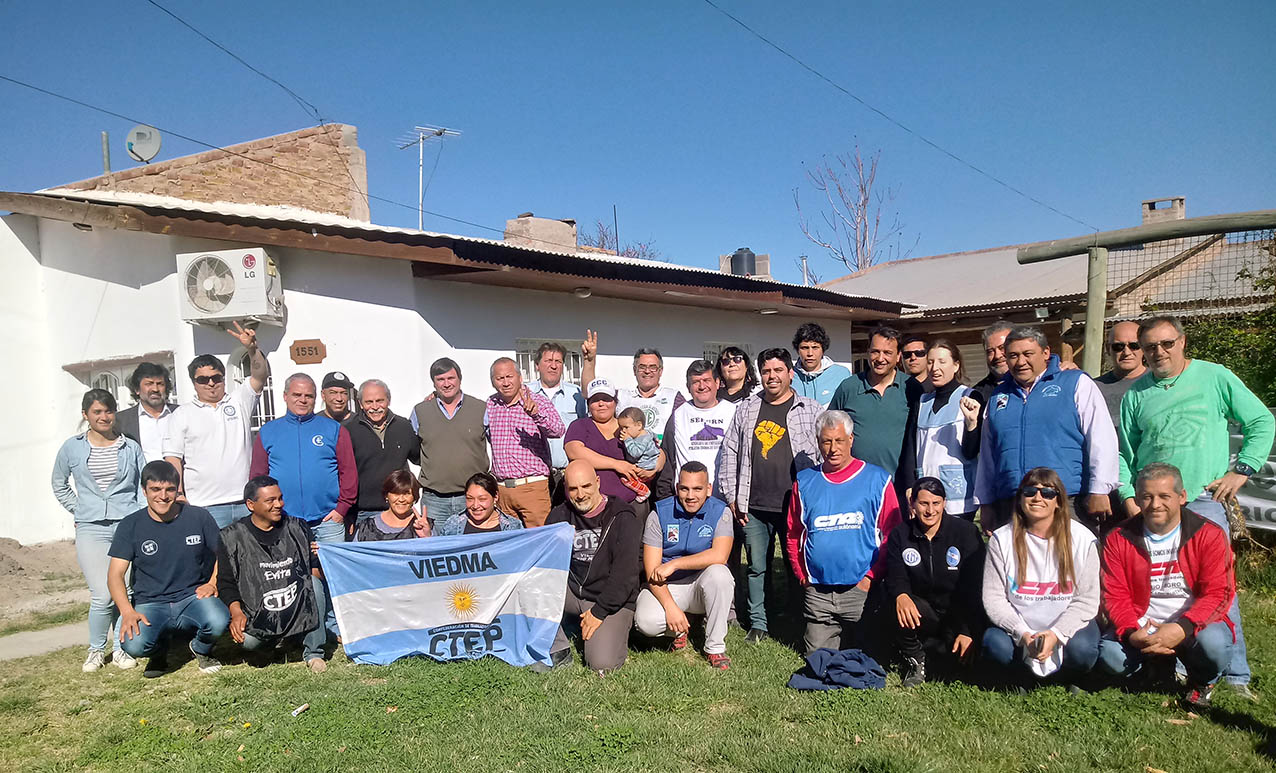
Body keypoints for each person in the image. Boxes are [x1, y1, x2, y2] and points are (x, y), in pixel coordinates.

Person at [1116, 315, 1272, 699]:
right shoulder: (1137, 394)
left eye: (1166, 343)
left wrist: (1243, 471)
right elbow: (1125, 453)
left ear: (1183, 342)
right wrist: (1128, 497)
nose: (1158, 352)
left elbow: (1261, 420)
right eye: (1149, 347)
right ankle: (1181, 668)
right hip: (1152, 505)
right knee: (1164, 585)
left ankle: (1235, 677)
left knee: (1217, 589)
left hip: (1204, 500)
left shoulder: (1214, 377)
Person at [1098, 463, 1236, 709]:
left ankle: (1203, 681)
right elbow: (1114, 595)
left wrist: (1182, 628)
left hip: (1192, 625)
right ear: (1138, 499)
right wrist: (1131, 632)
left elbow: (1219, 593)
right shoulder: (1118, 537)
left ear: (1182, 497)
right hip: (1143, 623)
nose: (1155, 504)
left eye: (1164, 496)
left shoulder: (1208, 534)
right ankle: (1154, 670)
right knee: (1111, 656)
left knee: (1215, 645)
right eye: (1147, 497)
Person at [719, 348, 822, 642]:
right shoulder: (747, 408)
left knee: (795, 565)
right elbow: (730, 452)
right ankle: (759, 622)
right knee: (756, 566)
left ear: (790, 373)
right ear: (760, 375)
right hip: (754, 503)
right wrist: (731, 497)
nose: (772, 377)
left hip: (795, 505)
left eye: (778, 371)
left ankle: (794, 616)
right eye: (766, 371)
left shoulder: (811, 410)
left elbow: (823, 452)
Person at [974, 326, 1118, 534]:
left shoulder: (1075, 383)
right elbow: (988, 455)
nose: (1021, 362)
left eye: (1027, 354)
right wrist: (986, 502)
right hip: (1013, 503)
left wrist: (1100, 489)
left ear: (1046, 353)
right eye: (1013, 356)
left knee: (1069, 565)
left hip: (1066, 501)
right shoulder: (998, 396)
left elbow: (1101, 438)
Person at [784, 410, 903, 654]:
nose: (833, 448)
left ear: (851, 440)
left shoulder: (877, 479)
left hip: (860, 587)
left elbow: (892, 534)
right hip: (817, 588)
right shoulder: (805, 482)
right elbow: (793, 534)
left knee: (869, 655)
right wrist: (802, 577)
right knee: (817, 659)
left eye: (839, 440)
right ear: (818, 443)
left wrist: (869, 578)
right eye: (826, 441)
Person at [250, 372, 357, 640]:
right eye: (296, 395)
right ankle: (295, 628)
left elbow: (349, 473)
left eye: (308, 395)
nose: (302, 400)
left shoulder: (333, 430)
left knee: (334, 575)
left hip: (327, 519)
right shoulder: (269, 432)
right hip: (285, 521)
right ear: (285, 396)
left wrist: (341, 509)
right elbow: (257, 477)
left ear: (316, 397)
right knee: (288, 577)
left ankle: (334, 625)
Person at [52, 388, 147, 672]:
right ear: (86, 415)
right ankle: (95, 650)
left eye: (108, 411)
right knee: (102, 594)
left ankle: (121, 648)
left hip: (125, 525)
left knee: (125, 591)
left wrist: (139, 518)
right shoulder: (72, 447)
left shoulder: (130, 447)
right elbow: (59, 484)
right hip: (91, 528)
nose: (104, 417)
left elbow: (142, 485)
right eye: (97, 412)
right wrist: (80, 509)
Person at [981, 468, 1100, 689]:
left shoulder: (1083, 539)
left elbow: (1087, 600)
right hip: (1021, 626)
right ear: (1020, 498)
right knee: (995, 645)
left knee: (1084, 649)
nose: (1037, 498)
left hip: (1065, 624)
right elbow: (994, 598)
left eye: (1047, 493)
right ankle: (1019, 676)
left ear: (1059, 501)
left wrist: (1056, 634)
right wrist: (1023, 634)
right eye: (1029, 491)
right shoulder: (1001, 539)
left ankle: (1069, 677)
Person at [107, 460, 228, 678]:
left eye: (170, 489)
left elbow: (224, 553)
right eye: (155, 489)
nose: (163, 496)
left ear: (177, 490)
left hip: (192, 596)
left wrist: (212, 582)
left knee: (219, 620)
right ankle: (159, 650)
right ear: (144, 491)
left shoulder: (198, 517)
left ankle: (200, 648)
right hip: (151, 601)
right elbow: (115, 575)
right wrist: (127, 611)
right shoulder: (130, 525)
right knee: (133, 645)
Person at [163, 321, 269, 529]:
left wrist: (252, 349)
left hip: (244, 502)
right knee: (213, 561)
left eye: (215, 377)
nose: (210, 383)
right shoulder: (181, 415)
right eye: (202, 379)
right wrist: (179, 493)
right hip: (204, 506)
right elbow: (173, 458)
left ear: (222, 377)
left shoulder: (240, 401)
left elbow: (259, 375)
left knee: (248, 560)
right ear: (194, 383)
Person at [217, 475, 327, 672]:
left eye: (280, 498)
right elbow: (226, 582)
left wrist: (320, 563)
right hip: (259, 610)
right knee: (248, 642)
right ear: (251, 505)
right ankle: (272, 644)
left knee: (314, 583)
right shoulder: (231, 536)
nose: (279, 504)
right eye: (270, 500)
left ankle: (314, 652)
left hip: (295, 603)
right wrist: (236, 612)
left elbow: (315, 569)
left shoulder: (298, 527)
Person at [544, 460, 643, 674]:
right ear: (565, 489)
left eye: (586, 486)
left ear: (597, 482)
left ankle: (619, 631)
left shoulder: (623, 516)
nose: (580, 494)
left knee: (600, 663)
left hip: (610, 598)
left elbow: (625, 576)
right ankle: (558, 646)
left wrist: (598, 612)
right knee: (532, 586)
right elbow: (546, 564)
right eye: (573, 488)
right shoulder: (558, 516)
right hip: (573, 592)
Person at [885, 477, 985, 687]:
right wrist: (901, 595)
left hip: (958, 614)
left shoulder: (966, 532)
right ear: (912, 504)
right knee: (894, 601)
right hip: (924, 612)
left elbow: (976, 587)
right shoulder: (900, 534)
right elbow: (896, 576)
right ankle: (915, 657)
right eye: (923, 504)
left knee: (953, 669)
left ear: (944, 503)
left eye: (936, 503)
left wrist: (968, 631)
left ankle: (942, 649)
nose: (930, 510)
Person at [634, 463, 735, 669]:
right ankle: (680, 628)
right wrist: (671, 607)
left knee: (721, 575)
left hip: (702, 585)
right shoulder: (659, 513)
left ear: (708, 488)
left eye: (697, 489)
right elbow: (653, 571)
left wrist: (675, 563)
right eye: (684, 488)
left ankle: (714, 647)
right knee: (645, 622)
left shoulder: (721, 512)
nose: (690, 496)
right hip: (667, 587)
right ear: (677, 487)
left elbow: (720, 555)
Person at [897, 340, 985, 518]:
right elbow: (910, 448)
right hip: (925, 495)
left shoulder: (970, 397)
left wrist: (971, 424)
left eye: (942, 362)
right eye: (930, 362)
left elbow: (971, 452)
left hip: (958, 499)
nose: (934, 368)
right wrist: (909, 485)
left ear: (956, 365)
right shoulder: (922, 402)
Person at [411, 358, 490, 531]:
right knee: (436, 550)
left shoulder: (481, 408)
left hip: (472, 497)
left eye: (451, 378)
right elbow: (415, 449)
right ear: (433, 383)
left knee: (472, 549)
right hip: (434, 500)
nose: (446, 384)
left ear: (459, 379)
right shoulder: (420, 411)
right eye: (440, 380)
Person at [485, 357, 565, 528]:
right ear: (493, 382)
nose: (506, 383)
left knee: (539, 541)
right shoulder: (491, 404)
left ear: (520, 378)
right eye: (500, 378)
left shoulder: (538, 401)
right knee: (510, 544)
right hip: (502, 489)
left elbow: (558, 430)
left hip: (532, 487)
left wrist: (536, 415)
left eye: (509, 377)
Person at [829, 326, 909, 478]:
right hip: (855, 481)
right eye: (875, 352)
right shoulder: (849, 387)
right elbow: (830, 428)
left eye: (887, 353)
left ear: (898, 356)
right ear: (868, 352)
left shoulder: (911, 388)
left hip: (898, 484)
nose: (880, 359)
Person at [655, 360, 737, 500]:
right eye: (696, 382)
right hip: (688, 500)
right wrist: (665, 499)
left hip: (726, 500)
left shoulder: (733, 412)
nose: (701, 386)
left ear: (717, 383)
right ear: (688, 387)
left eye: (706, 380)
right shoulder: (678, 415)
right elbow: (668, 459)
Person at [565, 379, 650, 508]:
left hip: (632, 503)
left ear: (615, 402)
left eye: (606, 399)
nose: (601, 403)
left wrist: (655, 466)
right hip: (591, 506)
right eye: (595, 400)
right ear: (588, 404)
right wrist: (616, 464)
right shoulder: (580, 426)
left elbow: (653, 447)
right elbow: (574, 451)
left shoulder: (627, 426)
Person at [348, 379, 419, 525]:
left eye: (380, 401)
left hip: (400, 508)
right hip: (364, 512)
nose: (375, 407)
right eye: (369, 402)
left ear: (389, 400)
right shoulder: (349, 430)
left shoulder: (404, 426)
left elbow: (420, 458)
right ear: (360, 404)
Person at [529, 342, 588, 503]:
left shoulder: (575, 394)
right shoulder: (524, 393)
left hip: (567, 473)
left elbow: (586, 429)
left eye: (558, 362)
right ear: (537, 365)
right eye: (548, 361)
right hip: (535, 478)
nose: (553, 366)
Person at [617, 347, 684, 443]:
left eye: (653, 367)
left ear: (660, 371)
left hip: (662, 455)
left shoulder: (674, 397)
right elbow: (591, 394)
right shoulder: (621, 396)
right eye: (642, 367)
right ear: (634, 370)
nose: (647, 371)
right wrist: (590, 361)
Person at [115, 362, 177, 462]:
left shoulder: (180, 413)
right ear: (137, 389)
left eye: (160, 384)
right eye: (149, 384)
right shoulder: (121, 420)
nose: (155, 389)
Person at [353, 469, 431, 542]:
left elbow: (437, 554)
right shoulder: (366, 527)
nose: (401, 499)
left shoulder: (425, 525)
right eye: (396, 493)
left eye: (407, 494)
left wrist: (427, 538)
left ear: (414, 496)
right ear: (387, 495)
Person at [435, 472, 525, 535]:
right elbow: (440, 555)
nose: (475, 505)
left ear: (495, 497)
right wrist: (426, 536)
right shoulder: (453, 524)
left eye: (482, 499)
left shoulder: (513, 527)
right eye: (470, 499)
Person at [1094, 321, 1147, 421]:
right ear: (1108, 349)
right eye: (1118, 347)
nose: (1127, 352)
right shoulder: (1094, 388)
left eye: (1134, 346)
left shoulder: (1158, 383)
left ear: (1144, 347)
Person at [792, 322, 852, 407]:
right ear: (798, 350)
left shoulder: (842, 374)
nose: (810, 353)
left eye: (815, 347)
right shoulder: (789, 375)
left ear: (823, 349)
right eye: (804, 348)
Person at [973, 320, 1013, 402]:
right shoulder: (977, 395)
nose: (997, 356)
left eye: (1002, 348)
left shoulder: (1036, 383)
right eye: (990, 351)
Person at [899, 334, 930, 404]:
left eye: (919, 353)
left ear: (928, 356)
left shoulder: (936, 387)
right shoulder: (897, 388)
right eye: (907, 354)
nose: (913, 358)